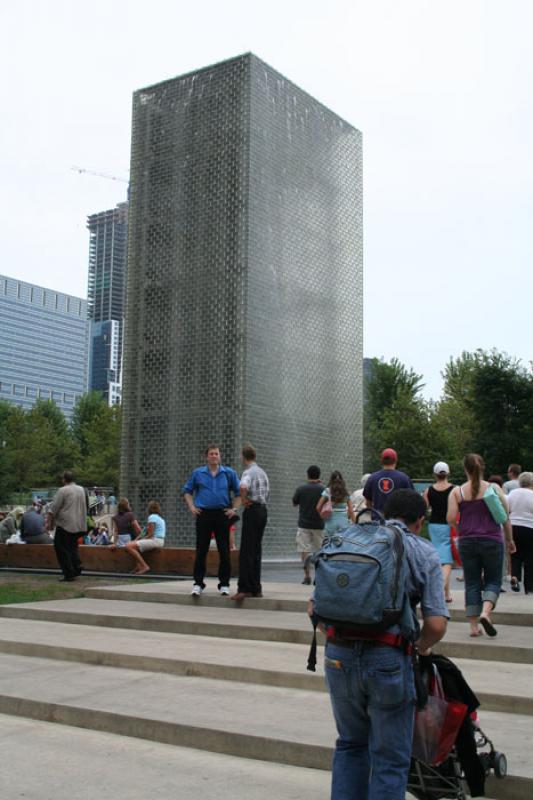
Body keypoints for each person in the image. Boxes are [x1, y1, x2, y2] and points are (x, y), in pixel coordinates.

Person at [315, 489, 448, 800]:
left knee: (350, 744)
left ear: (385, 512)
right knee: (389, 758)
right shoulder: (422, 550)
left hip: (338, 657)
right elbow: (436, 624)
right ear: (419, 521)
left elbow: (316, 612)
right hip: (389, 658)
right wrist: (417, 646)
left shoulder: (346, 538)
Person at [447, 454, 516, 638]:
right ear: (482, 468)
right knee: (493, 580)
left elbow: (451, 518)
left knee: (471, 583)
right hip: (492, 540)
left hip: (467, 541)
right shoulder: (493, 489)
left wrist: (461, 528)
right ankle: (486, 612)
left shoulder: (457, 492)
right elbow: (505, 518)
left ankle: (473, 627)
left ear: (465, 469)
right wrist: (510, 541)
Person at [182, 444, 240, 596]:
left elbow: (239, 493)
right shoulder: (198, 473)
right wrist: (192, 507)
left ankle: (224, 584)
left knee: (224, 550)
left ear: (220, 456)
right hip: (204, 514)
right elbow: (187, 491)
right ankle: (198, 583)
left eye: (216, 454)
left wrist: (234, 509)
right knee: (201, 549)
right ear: (206, 457)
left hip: (222, 514)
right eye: (211, 454)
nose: (214, 456)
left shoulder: (229, 473)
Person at [231, 444, 269, 601]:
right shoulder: (262, 472)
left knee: (246, 550)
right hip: (263, 511)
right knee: (256, 549)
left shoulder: (248, 472)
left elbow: (243, 486)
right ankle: (256, 588)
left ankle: (244, 589)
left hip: (252, 510)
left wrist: (245, 500)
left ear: (243, 457)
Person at [45, 471, 87, 582]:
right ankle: (76, 566)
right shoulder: (81, 489)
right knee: (72, 546)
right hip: (79, 524)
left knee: (60, 548)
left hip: (65, 524)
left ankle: (68, 573)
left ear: (64, 479)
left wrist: (48, 523)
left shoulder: (62, 490)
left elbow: (54, 508)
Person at [424, 461, 454, 603]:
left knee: (439, 556)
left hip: (434, 525)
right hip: (449, 525)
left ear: (435, 474)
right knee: (447, 561)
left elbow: (425, 509)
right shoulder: (454, 489)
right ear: (448, 473)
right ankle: (440, 589)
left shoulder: (428, 490)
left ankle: (447, 594)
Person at [293, 465, 325, 585]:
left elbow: (294, 503)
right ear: (319, 475)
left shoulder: (301, 489)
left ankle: (307, 576)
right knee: (320, 550)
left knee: (304, 549)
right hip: (319, 524)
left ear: (308, 475)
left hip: (304, 524)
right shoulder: (323, 489)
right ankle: (319, 577)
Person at [363, 448, 414, 513]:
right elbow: (411, 501)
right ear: (395, 460)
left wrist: (375, 514)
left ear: (381, 461)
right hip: (397, 521)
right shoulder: (404, 478)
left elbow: (368, 503)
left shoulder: (372, 478)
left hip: (377, 520)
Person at [507, 471, 533, 594]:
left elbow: (506, 509)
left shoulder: (512, 494)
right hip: (529, 527)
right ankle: (529, 587)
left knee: (515, 554)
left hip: (513, 527)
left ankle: (515, 577)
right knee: (530, 557)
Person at [124, 501, 166, 574]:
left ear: (149, 509)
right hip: (159, 540)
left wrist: (139, 540)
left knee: (128, 546)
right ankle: (138, 566)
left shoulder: (152, 517)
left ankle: (144, 566)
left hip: (155, 540)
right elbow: (145, 533)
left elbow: (150, 534)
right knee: (132, 545)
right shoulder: (159, 518)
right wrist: (136, 540)